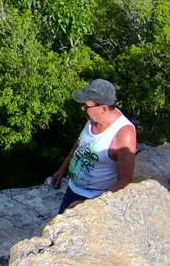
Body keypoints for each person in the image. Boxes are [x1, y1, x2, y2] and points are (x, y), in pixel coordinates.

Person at [51, 79, 137, 214]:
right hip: (73, 189)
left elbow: (125, 180)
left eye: (86, 106)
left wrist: (90, 205)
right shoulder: (93, 119)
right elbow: (81, 144)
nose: (82, 109)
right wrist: (63, 169)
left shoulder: (123, 134)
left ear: (103, 108)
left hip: (94, 199)